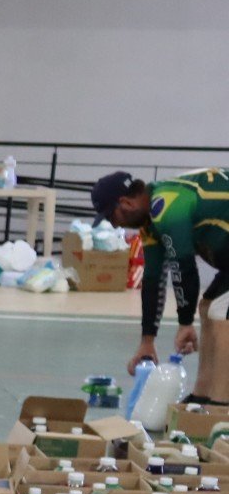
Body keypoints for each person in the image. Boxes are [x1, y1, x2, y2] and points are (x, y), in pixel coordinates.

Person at [98, 169, 225, 401]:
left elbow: (183, 266)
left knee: (222, 313)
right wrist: (147, 341)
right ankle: (203, 393)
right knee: (208, 307)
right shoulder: (150, 223)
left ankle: (222, 401)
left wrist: (185, 324)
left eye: (111, 217)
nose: (115, 226)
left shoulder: (167, 207)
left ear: (125, 202)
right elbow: (153, 279)